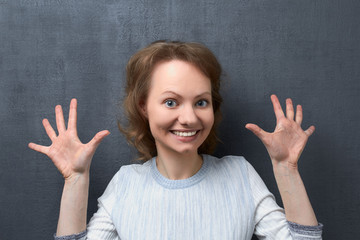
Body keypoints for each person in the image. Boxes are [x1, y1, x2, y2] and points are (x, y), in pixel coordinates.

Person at [28, 41, 323, 239]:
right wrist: (76, 179)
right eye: (171, 102)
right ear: (144, 106)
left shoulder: (240, 175)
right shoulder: (126, 184)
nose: (190, 118)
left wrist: (287, 170)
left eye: (201, 102)